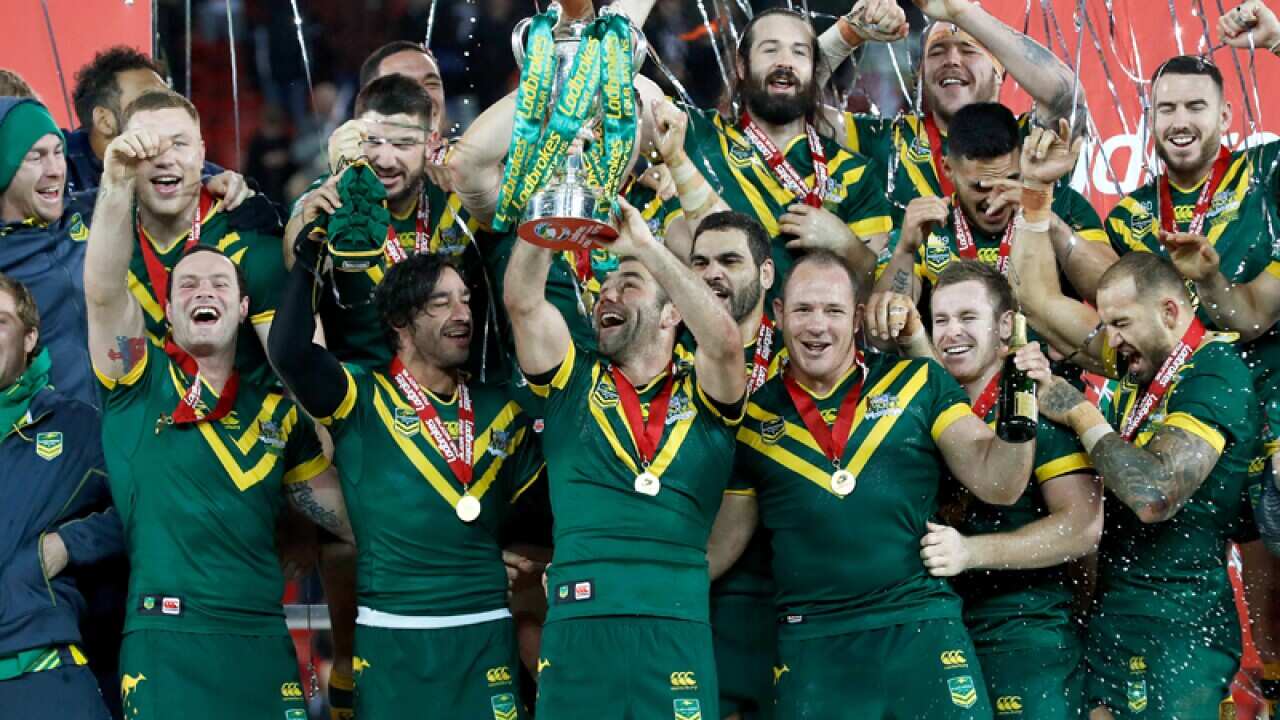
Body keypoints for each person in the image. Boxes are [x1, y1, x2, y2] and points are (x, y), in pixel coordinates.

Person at [84, 109, 350, 720]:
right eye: (187, 286)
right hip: (168, 642)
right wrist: (117, 181)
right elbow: (103, 292)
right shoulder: (137, 385)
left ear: (244, 308)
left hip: (263, 641)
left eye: (220, 285)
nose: (204, 291)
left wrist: (466, 547)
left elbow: (349, 518)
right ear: (166, 313)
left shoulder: (280, 418)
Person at [1010, 121, 1265, 719]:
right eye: (1107, 324)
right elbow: (1038, 303)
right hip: (1114, 618)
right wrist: (1035, 198)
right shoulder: (1137, 364)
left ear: (1170, 311)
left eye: (1121, 323)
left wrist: (1078, 410)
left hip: (1178, 630)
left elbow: (1155, 494)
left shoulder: (1214, 370)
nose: (1111, 338)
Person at [727, 250, 1044, 719]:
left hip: (919, 627)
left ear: (857, 317)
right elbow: (724, 544)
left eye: (833, 310)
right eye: (803, 309)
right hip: (815, 645)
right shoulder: (752, 419)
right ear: (778, 312)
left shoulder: (917, 381)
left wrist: (1022, 402)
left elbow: (999, 483)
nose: (817, 326)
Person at [270, 210, 543, 719]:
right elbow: (290, 353)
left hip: (486, 635)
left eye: (465, 300)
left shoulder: (502, 410)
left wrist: (528, 559)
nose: (462, 314)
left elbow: (543, 518)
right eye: (441, 303)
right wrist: (310, 258)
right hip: (392, 638)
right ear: (400, 322)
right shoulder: (360, 398)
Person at [504, 192, 746, 718]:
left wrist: (646, 248)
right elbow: (523, 302)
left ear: (671, 313)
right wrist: (550, 214)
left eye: (628, 284)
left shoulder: (707, 394)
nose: (607, 294)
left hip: (675, 626)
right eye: (603, 288)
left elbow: (726, 343)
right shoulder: (572, 380)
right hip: (579, 621)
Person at [869, 261, 1102, 719]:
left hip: (1023, 630)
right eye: (941, 320)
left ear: (1005, 326)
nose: (952, 332)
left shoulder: (1039, 399)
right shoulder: (926, 400)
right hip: (939, 627)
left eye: (968, 317)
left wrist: (971, 552)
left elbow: (1082, 527)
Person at [818, 0, 1084, 219]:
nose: (952, 60)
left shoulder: (1029, 141)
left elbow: (1068, 98)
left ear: (999, 72)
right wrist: (846, 34)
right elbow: (797, 109)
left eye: (968, 50)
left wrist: (961, 13)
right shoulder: (886, 141)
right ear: (921, 75)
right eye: (937, 52)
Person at [0, 274, 123, 719]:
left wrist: (67, 545)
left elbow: (148, 509)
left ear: (30, 337)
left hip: (41, 669)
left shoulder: (77, 427)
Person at [110, 89, 283, 387]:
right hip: (150, 414)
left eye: (179, 144)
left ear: (202, 154)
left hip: (244, 416)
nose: (165, 159)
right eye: (148, 146)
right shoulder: (105, 247)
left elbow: (303, 382)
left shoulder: (250, 240)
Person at [873, 103, 1114, 306]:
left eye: (1010, 181)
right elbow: (886, 333)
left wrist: (1046, 220)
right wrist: (905, 252)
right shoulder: (928, 225)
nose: (994, 200)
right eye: (980, 187)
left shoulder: (1061, 206)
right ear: (948, 169)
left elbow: (1114, 294)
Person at [687, 211, 779, 720]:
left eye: (729, 260)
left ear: (765, 274)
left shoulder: (806, 353)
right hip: (699, 591)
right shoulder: (663, 353)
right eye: (699, 263)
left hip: (788, 591)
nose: (712, 274)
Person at [0, 97, 95, 406]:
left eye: (58, 152)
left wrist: (214, 182)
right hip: (41, 428)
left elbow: (159, 192)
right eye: (36, 157)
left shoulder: (89, 212)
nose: (55, 169)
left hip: (122, 422)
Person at [66, 47, 228, 196]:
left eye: (167, 97)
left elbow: (221, 180)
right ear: (104, 121)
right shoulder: (58, 161)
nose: (166, 109)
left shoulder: (194, 168)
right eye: (149, 99)